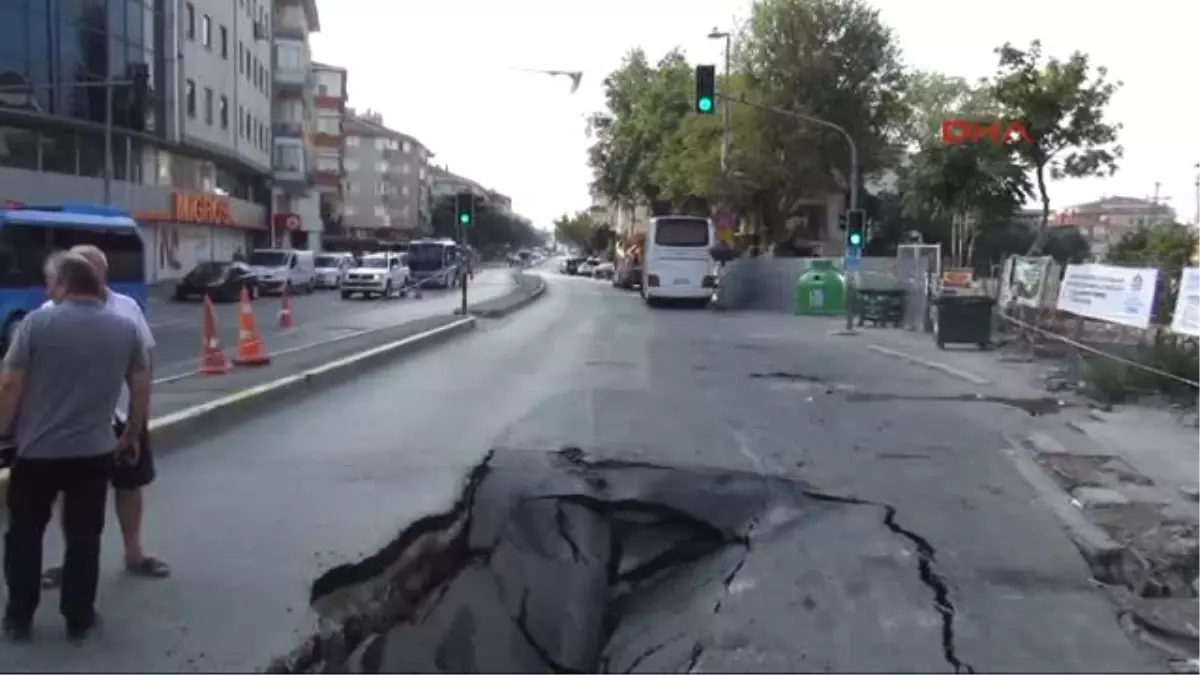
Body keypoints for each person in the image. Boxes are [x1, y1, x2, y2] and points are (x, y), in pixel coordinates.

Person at [1, 254, 150, 642]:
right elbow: (140, 385)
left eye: (52, 283)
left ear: (65, 284)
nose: (48, 290)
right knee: (85, 535)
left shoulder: (35, 323)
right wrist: (132, 432)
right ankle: (79, 616)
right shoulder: (123, 328)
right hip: (94, 451)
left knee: (25, 534)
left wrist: (3, 431)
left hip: (36, 452)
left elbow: (10, 385)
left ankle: (19, 616)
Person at [39, 245, 170, 591]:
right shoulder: (49, 311)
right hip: (75, 420)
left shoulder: (127, 308)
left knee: (129, 485)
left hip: (124, 414)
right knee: (75, 492)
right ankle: (72, 561)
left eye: (95, 269)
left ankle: (134, 553)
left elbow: (145, 361)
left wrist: (139, 418)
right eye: (83, 269)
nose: (90, 276)